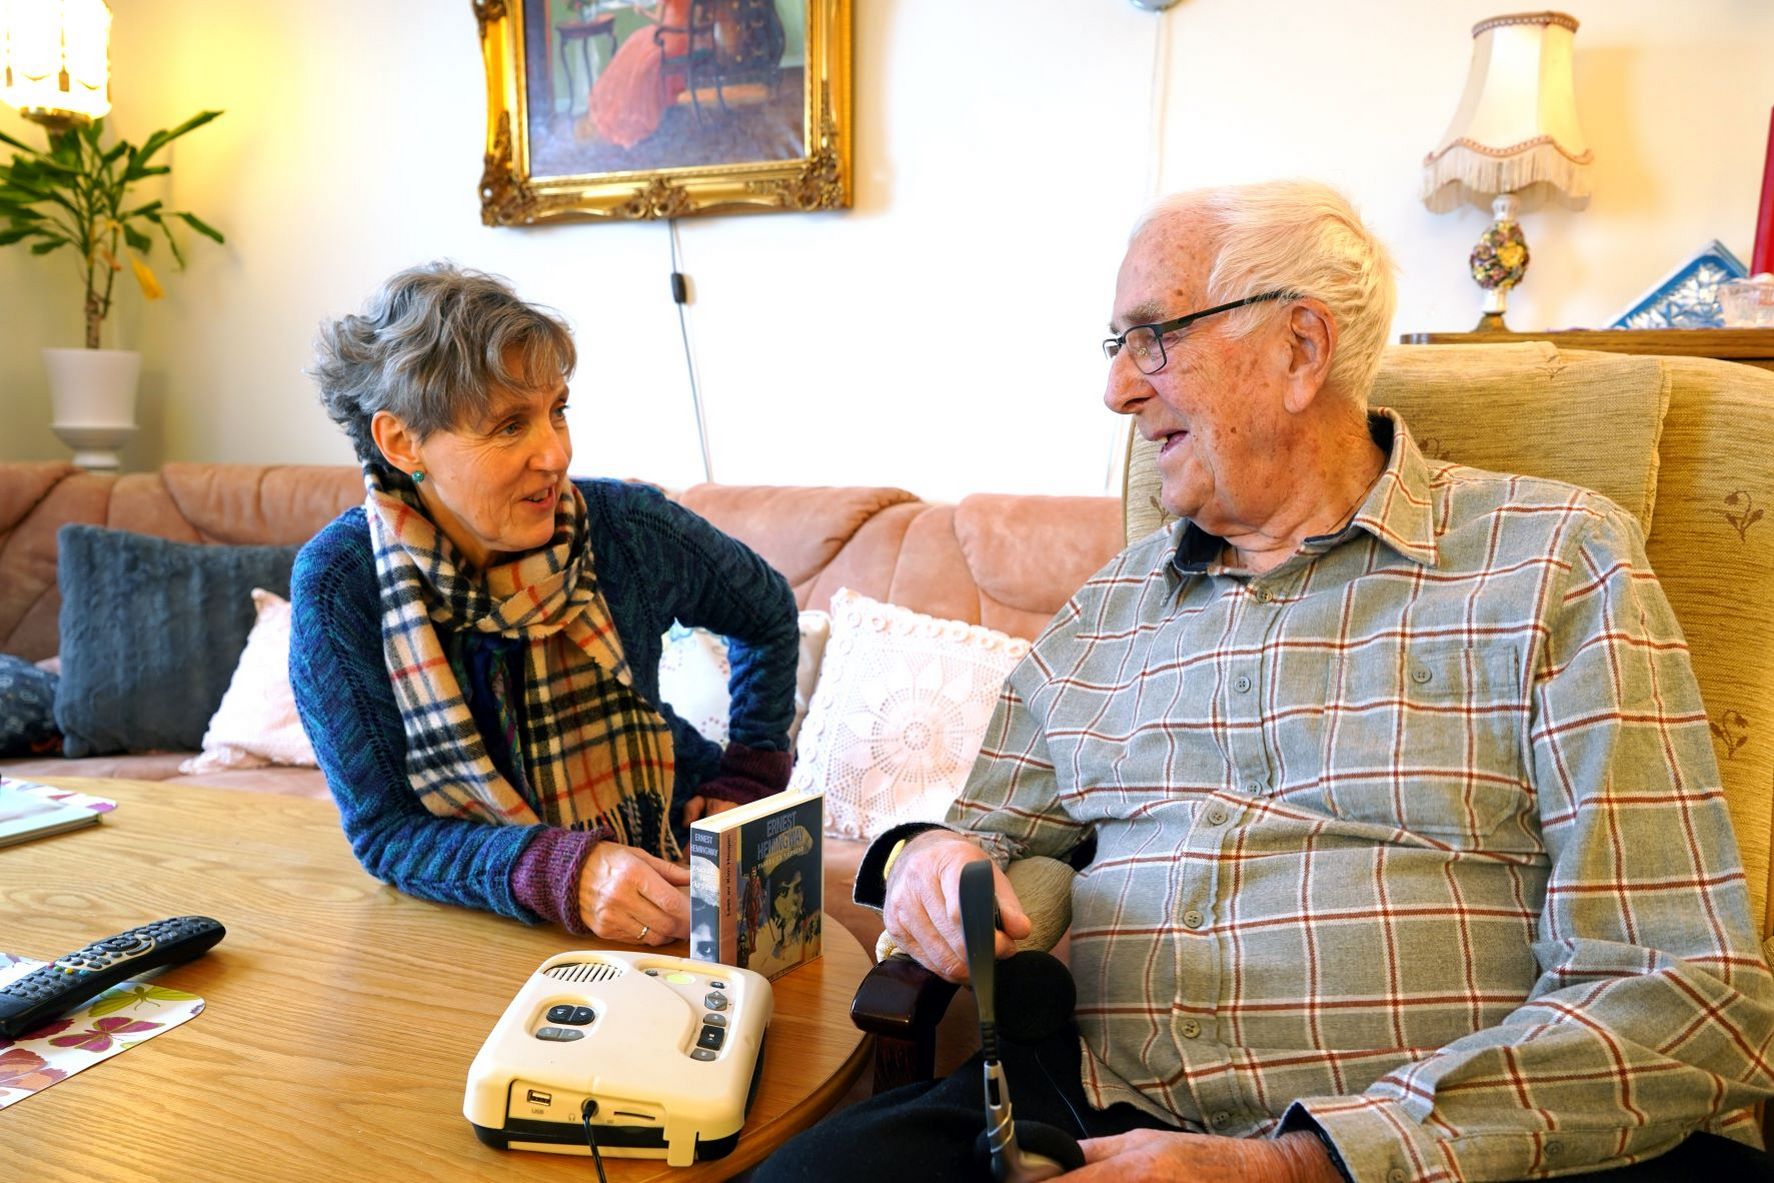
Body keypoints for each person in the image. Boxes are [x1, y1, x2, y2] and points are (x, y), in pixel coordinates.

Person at [760, 181, 1774, 1182]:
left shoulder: (1551, 561)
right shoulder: (1108, 609)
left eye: (1153, 337)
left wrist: (1292, 1164)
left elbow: (1679, 990)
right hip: (1094, 1120)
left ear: (1300, 350)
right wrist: (931, 858)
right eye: (1114, 347)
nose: (1116, 390)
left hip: (1437, 1150)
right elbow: (984, 839)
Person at [291, 261, 799, 945]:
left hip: (672, 875)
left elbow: (767, 613)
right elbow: (386, 834)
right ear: (401, 441)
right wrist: (567, 869)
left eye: (556, 410)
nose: (554, 453)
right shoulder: (340, 586)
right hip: (486, 920)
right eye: (508, 426)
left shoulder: (627, 527)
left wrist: (748, 778)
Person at [577, 0, 690, 150]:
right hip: (684, 38)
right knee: (635, 48)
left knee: (639, 61)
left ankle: (638, 114)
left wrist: (643, 12)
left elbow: (660, 20)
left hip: (668, 36)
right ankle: (651, 109)